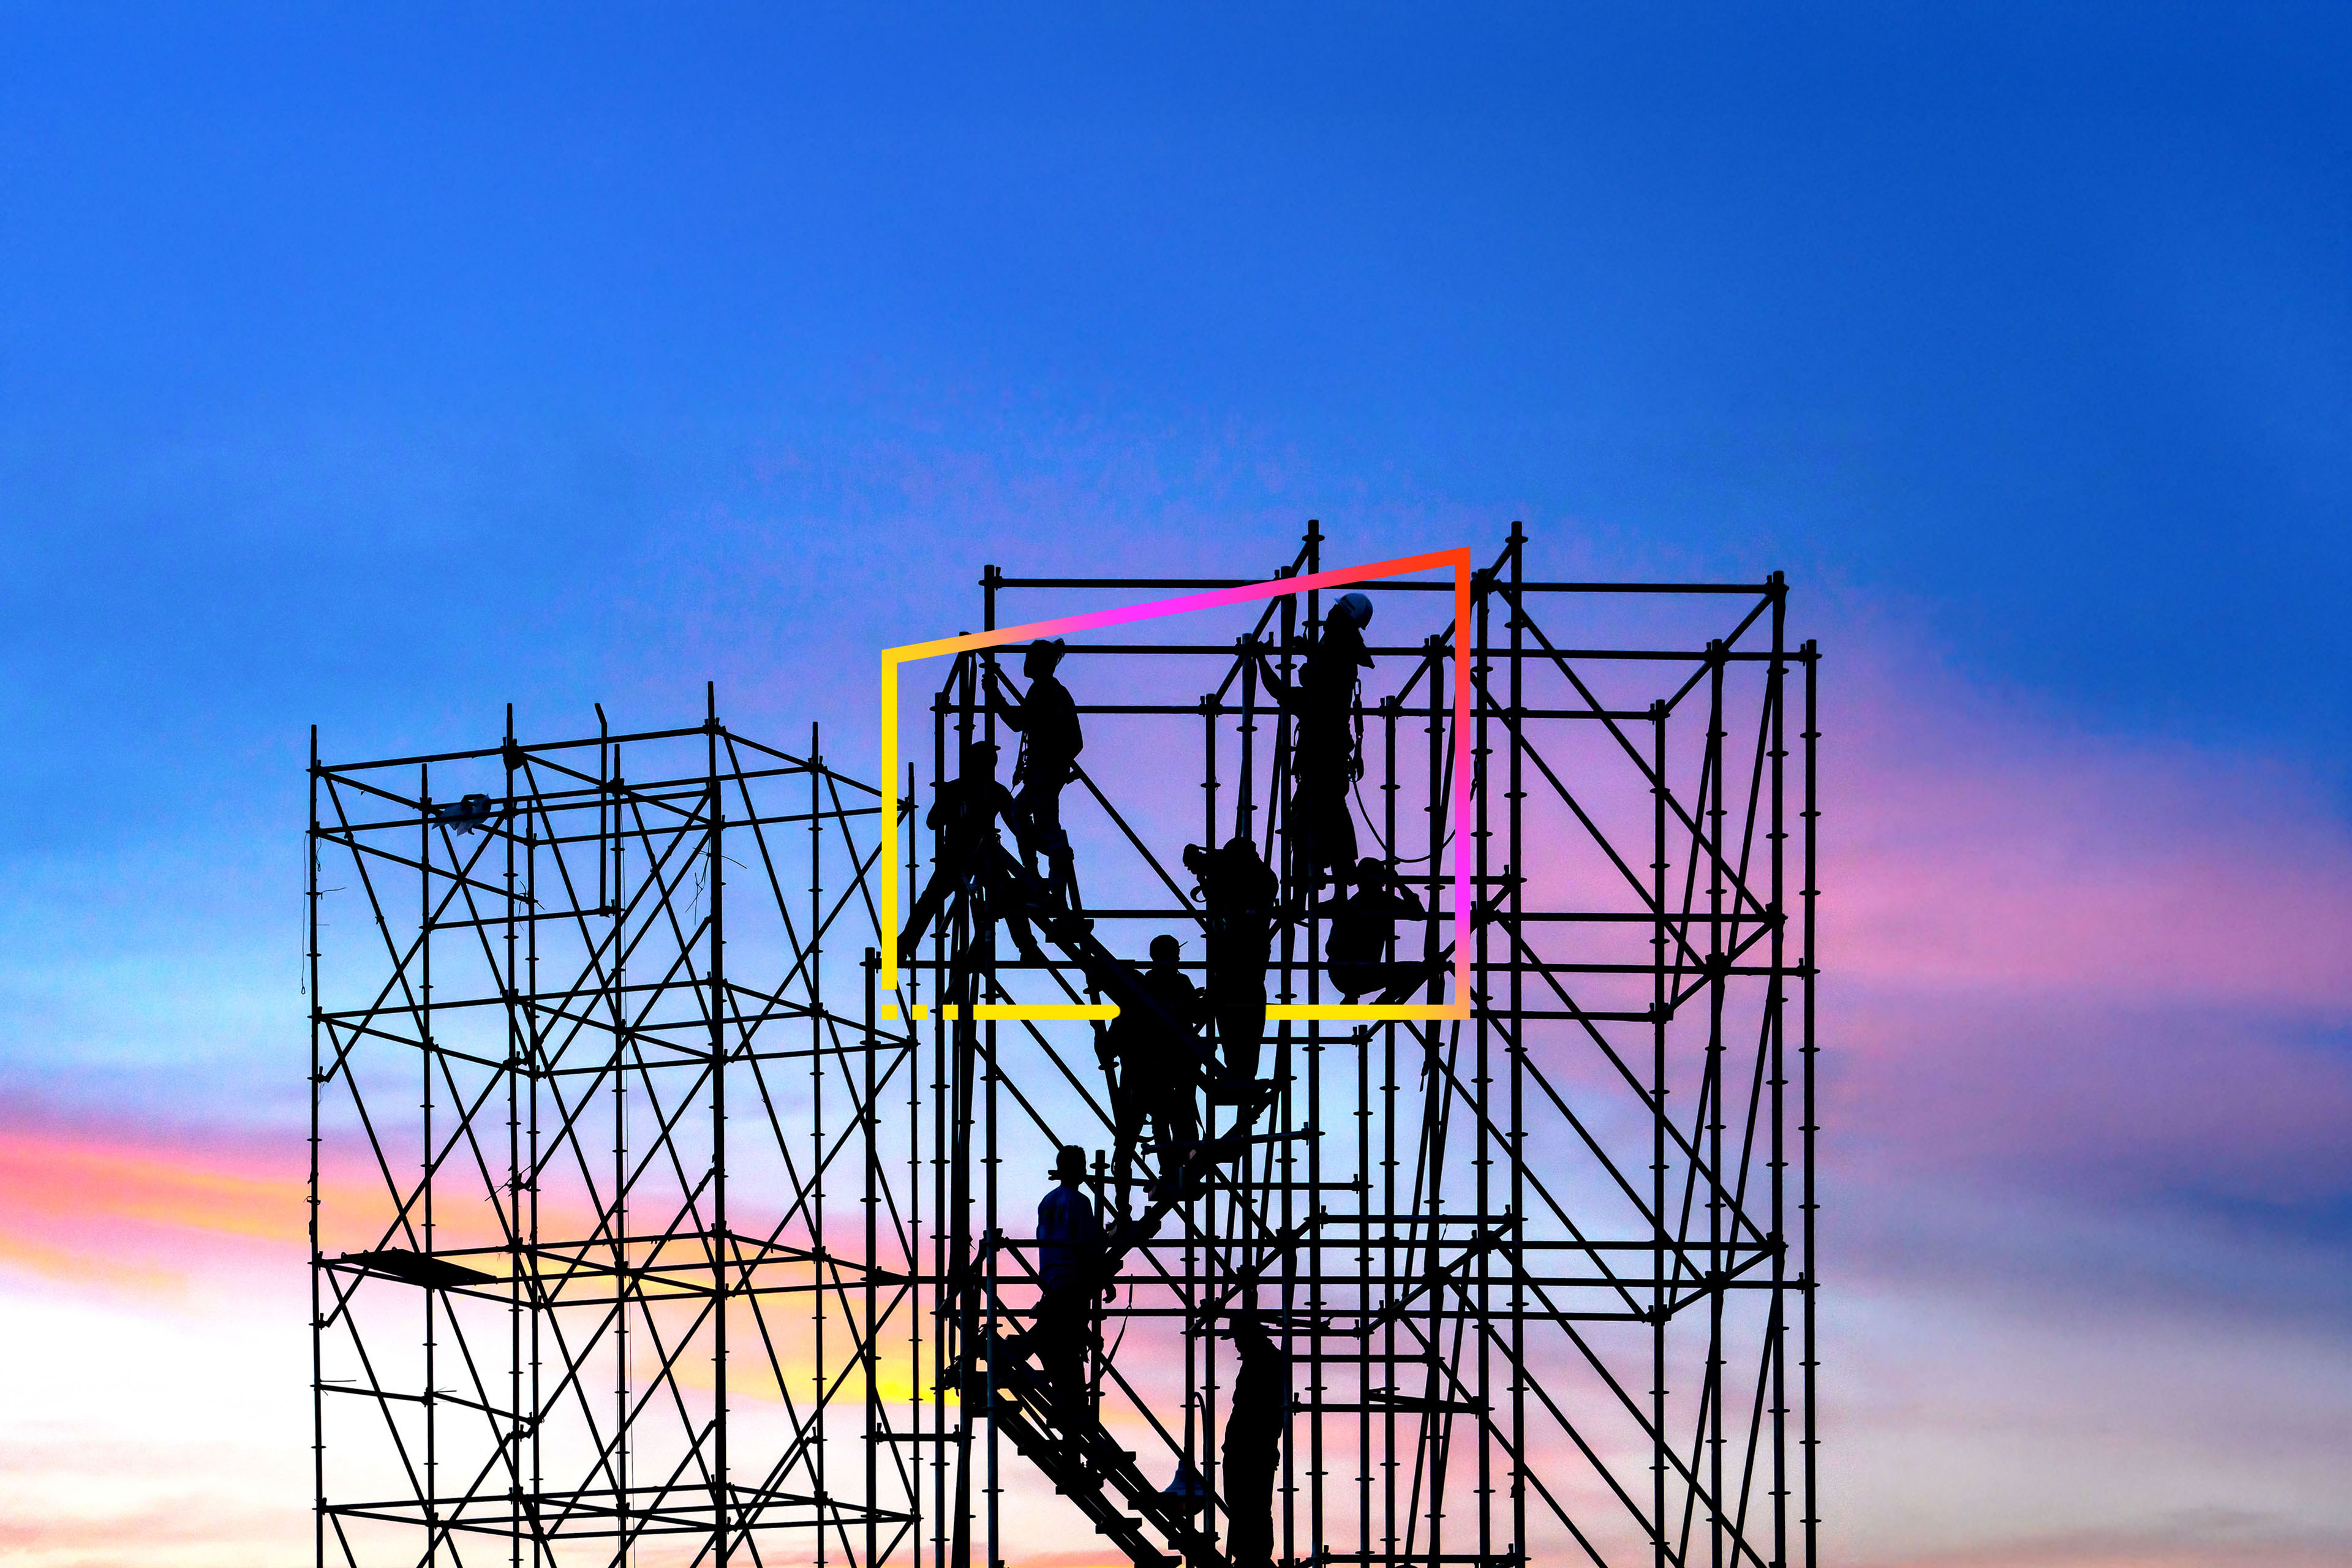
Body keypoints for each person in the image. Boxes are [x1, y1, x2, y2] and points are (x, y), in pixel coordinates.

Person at [1256, 592, 1374, 899]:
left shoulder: (1321, 691)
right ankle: (1330, 886)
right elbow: (1327, 656)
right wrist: (1305, 648)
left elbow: (1280, 692)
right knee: (1328, 815)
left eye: (1335, 614)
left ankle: (1304, 893)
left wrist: (1259, 659)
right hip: (1330, 758)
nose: (1328, 618)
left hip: (1322, 759)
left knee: (1309, 819)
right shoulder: (1339, 656)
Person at [897, 739, 1043, 965]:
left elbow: (1019, 827)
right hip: (960, 855)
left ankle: (1027, 947)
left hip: (982, 855)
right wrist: (948, 800)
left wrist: (1034, 858)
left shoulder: (994, 791)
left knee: (1005, 894)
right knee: (931, 899)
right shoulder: (968, 789)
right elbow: (933, 821)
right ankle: (905, 945)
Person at [1098, 935, 1207, 1213]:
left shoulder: (1142, 991)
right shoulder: (1174, 986)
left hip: (1142, 1080)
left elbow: (1110, 1045)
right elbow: (1191, 1015)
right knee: (1162, 1128)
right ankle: (1170, 1175)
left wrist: (1104, 1041)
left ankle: (1124, 1208)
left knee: (1128, 1146)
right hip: (1159, 1078)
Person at [992, 639, 1085, 906]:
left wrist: (996, 696)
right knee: (1020, 813)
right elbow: (1074, 740)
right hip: (1043, 773)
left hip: (1043, 773)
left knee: (1047, 828)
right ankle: (1036, 876)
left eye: (1028, 659)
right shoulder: (1052, 691)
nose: (1025, 664)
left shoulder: (1043, 692)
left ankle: (1054, 886)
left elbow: (1016, 722)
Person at [1184, 835, 1280, 1084]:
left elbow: (1232, 878)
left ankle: (1240, 1073)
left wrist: (1205, 864)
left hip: (1240, 957)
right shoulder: (1260, 875)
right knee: (1238, 1018)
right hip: (1244, 958)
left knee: (1234, 1015)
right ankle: (1241, 1072)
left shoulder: (1253, 876)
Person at [1031, 1144, 1104, 1439]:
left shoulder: (1046, 1202)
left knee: (1057, 1344)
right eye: (1083, 1164)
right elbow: (1089, 1247)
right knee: (1071, 1347)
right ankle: (1074, 1408)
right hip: (1072, 1280)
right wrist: (1102, 1277)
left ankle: (1066, 1405)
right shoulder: (1080, 1202)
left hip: (1050, 1279)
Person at [1219, 1309, 1292, 1568]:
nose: (1236, 1343)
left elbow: (1262, 1409)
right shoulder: (1260, 1359)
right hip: (1248, 1447)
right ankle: (1250, 1554)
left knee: (1252, 1504)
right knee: (1246, 1503)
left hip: (1252, 1448)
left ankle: (1254, 1556)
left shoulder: (1265, 1361)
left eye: (1238, 1337)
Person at [1323, 857, 1433, 1002]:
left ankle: (1358, 994)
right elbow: (1418, 913)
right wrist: (1399, 885)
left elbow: (1331, 948)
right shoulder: (1383, 901)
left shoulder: (1353, 904)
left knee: (1415, 970)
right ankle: (1384, 1001)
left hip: (1341, 974)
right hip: (1360, 973)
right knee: (1419, 970)